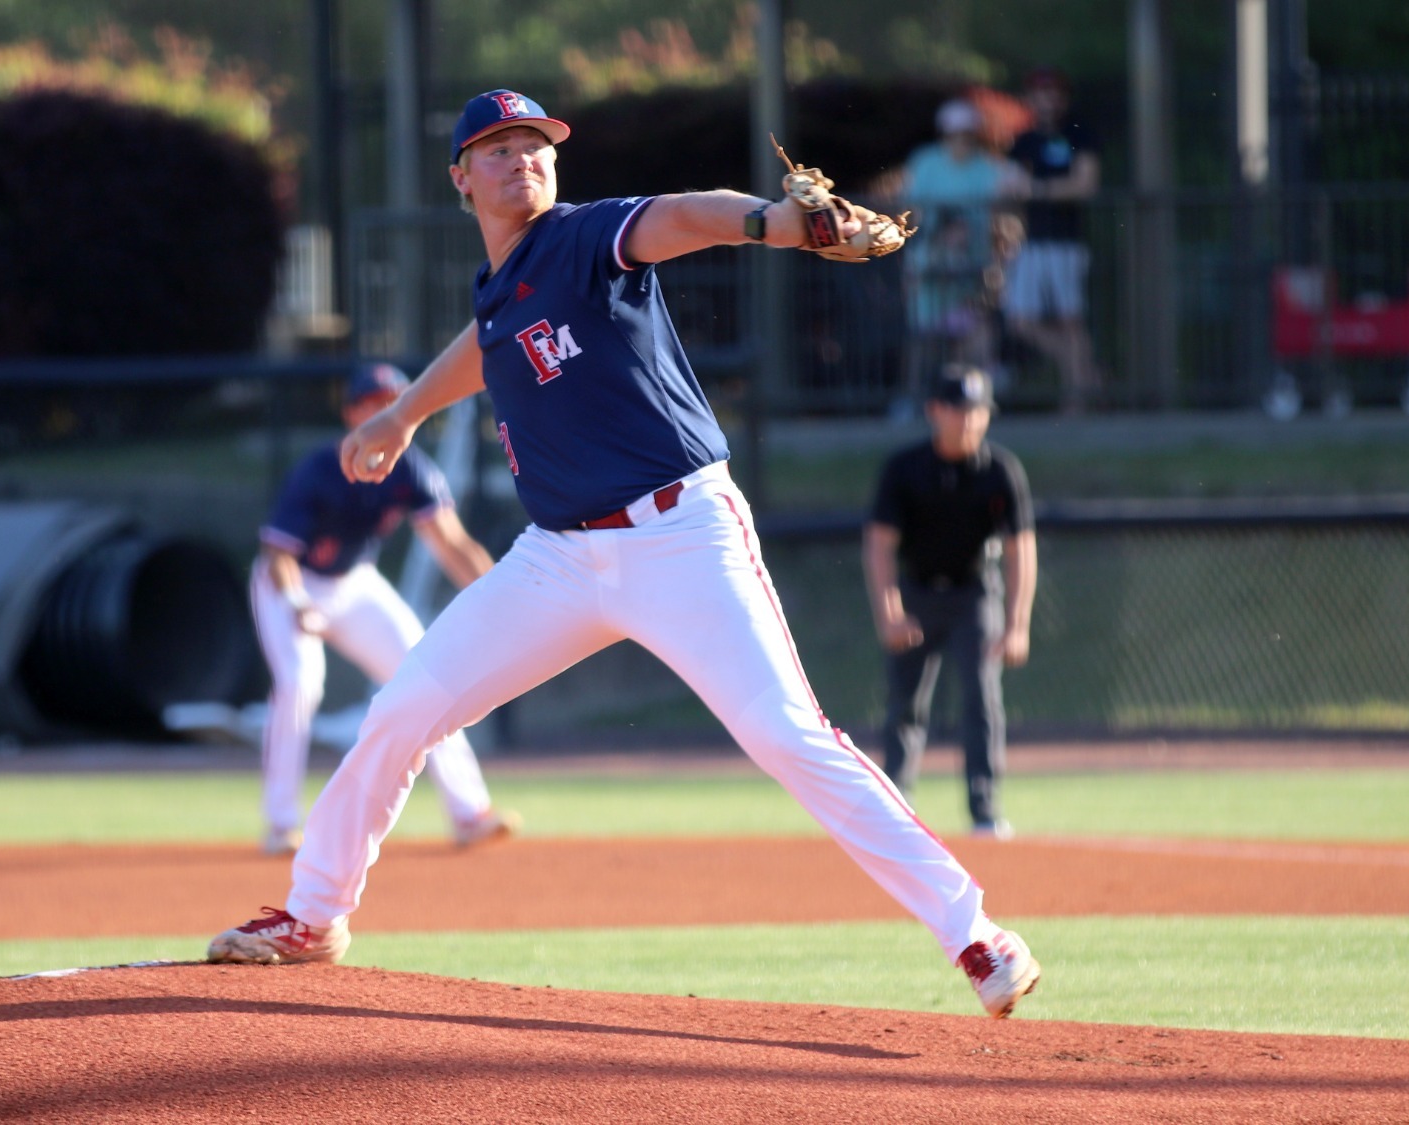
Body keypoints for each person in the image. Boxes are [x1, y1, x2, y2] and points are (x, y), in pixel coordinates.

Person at [207, 89, 1040, 1020]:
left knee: (786, 734)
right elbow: (488, 344)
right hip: (558, 558)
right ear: (461, 178)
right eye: (497, 148)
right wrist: (403, 412)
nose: (522, 158)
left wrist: (769, 223)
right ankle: (315, 913)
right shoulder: (501, 285)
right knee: (403, 707)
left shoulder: (582, 235)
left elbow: (681, 216)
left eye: (534, 144)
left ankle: (975, 932)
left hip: (680, 534)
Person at [250, 360, 520, 856]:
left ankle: (470, 814)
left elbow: (452, 544)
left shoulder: (411, 468)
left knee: (427, 678)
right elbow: (277, 556)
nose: (385, 411)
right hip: (289, 585)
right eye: (373, 403)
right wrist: (297, 603)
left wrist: (505, 598)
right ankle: (281, 823)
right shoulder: (320, 470)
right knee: (299, 684)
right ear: (351, 414)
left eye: (394, 402)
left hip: (355, 585)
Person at [863, 366, 1036, 839]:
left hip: (974, 596)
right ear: (934, 411)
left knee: (982, 699)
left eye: (978, 411)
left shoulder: (1000, 471)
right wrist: (890, 613)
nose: (969, 420)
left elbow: (1021, 550)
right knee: (905, 704)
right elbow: (879, 545)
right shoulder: (905, 469)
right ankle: (896, 809)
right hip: (917, 594)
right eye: (959, 409)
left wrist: (1017, 624)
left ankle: (985, 810)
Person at [879, 99, 1010, 414]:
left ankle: (979, 402)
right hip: (929, 266)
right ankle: (911, 400)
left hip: (972, 269)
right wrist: (936, 238)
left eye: (967, 133)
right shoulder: (925, 162)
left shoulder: (989, 167)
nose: (960, 140)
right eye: (954, 134)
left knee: (975, 339)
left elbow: (1001, 215)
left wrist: (993, 260)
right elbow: (912, 209)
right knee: (922, 341)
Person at [1003, 68, 1102, 414]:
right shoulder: (1023, 140)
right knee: (1021, 321)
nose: (1048, 101)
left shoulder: (1079, 134)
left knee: (1069, 319)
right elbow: (1011, 187)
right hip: (1031, 243)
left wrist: (1039, 190)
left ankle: (1078, 396)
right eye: (1041, 94)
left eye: (1054, 93)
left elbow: (1085, 184)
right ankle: (1086, 375)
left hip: (1066, 243)